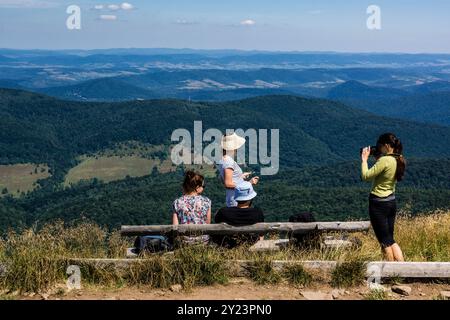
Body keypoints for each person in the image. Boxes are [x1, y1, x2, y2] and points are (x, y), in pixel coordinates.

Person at [361, 133, 406, 261]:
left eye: (380, 146)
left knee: (384, 241)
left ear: (386, 145)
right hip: (391, 202)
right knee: (390, 239)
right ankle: (402, 269)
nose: (379, 148)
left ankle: (390, 271)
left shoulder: (384, 160)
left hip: (378, 203)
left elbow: (366, 176)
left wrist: (364, 160)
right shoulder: (397, 158)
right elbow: (385, 172)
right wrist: (378, 160)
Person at [213, 181, 264, 247]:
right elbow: (261, 234)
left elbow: (216, 222)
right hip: (250, 244)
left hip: (228, 246)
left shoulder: (223, 212)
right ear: (251, 198)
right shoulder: (257, 212)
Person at [217, 132, 259, 207]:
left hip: (232, 197)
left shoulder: (223, 160)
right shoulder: (229, 162)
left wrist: (240, 176)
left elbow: (223, 179)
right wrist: (249, 183)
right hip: (236, 200)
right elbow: (228, 183)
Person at [172, 170, 211, 245]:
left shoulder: (177, 202)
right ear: (197, 187)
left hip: (183, 242)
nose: (203, 188)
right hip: (203, 241)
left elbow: (175, 227)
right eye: (203, 186)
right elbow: (207, 224)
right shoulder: (207, 201)